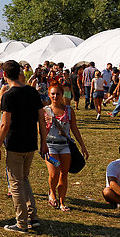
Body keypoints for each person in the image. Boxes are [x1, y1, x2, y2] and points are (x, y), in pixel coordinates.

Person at [0, 60, 47, 233]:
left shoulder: (9, 95)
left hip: (15, 144)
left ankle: (21, 222)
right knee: (24, 179)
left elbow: (5, 124)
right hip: (31, 142)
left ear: (4, 75)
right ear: (19, 73)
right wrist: (44, 142)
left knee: (16, 183)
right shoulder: (32, 91)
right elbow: (42, 119)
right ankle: (33, 216)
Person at [43, 83, 89, 211]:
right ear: (49, 95)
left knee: (64, 173)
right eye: (53, 94)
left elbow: (74, 128)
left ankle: (62, 202)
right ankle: (52, 192)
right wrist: (42, 143)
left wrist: (82, 145)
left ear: (62, 94)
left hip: (65, 146)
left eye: (58, 94)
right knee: (54, 173)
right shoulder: (45, 111)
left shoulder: (69, 110)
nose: (55, 96)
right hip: (50, 146)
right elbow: (40, 130)